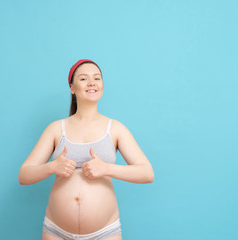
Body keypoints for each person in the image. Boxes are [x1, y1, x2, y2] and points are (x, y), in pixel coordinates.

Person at [19, 59, 154, 240]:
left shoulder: (115, 128)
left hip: (105, 231)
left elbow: (147, 173)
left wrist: (106, 168)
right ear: (72, 88)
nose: (92, 82)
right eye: (83, 79)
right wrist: (51, 167)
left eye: (97, 78)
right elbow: (24, 175)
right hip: (56, 231)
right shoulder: (56, 129)